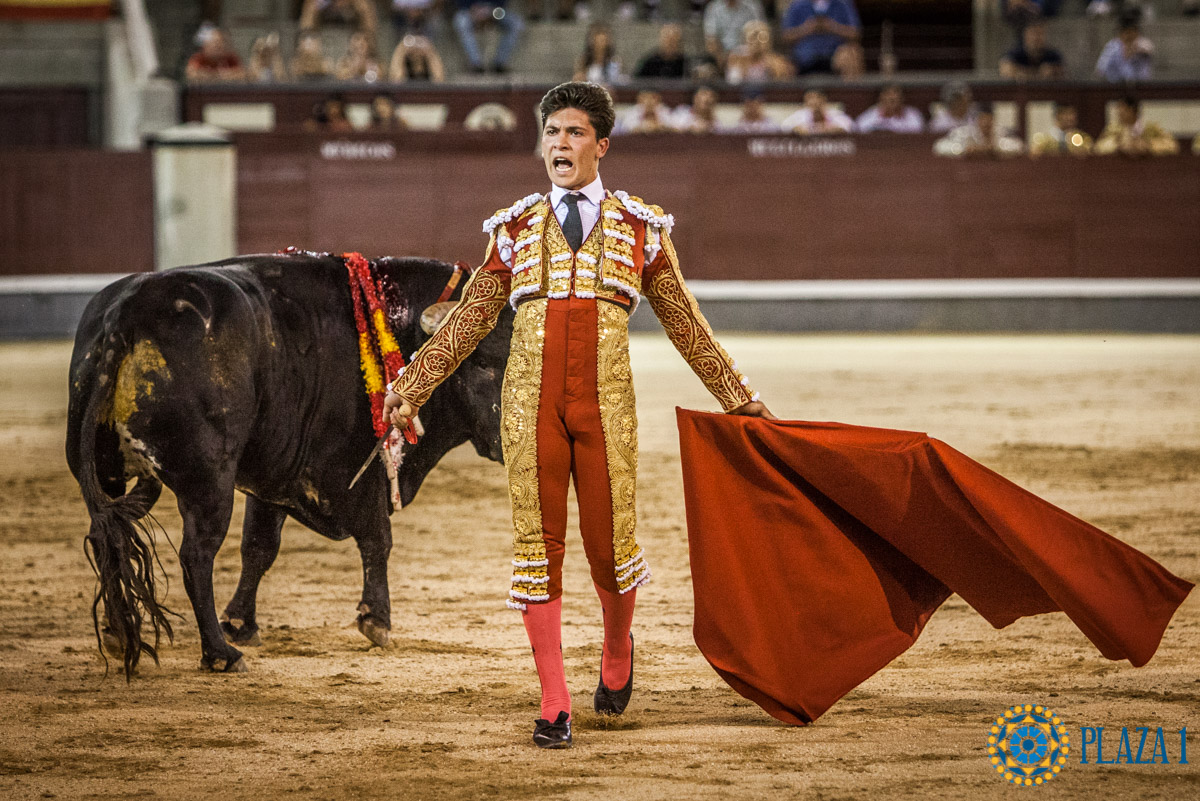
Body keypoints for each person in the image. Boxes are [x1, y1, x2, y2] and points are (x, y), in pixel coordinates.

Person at [384, 81, 774, 749]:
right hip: (530, 405)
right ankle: (555, 698)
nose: (559, 144)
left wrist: (736, 396)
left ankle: (617, 648)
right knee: (540, 551)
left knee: (609, 547)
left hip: (606, 408)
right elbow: (472, 317)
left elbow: (685, 323)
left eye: (572, 133)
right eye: (551, 134)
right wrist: (413, 383)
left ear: (601, 145)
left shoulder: (640, 228)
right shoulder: (512, 230)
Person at [780, 0, 864, 78]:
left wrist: (832, 27)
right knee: (781, 66)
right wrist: (807, 29)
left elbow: (856, 33)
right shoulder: (797, 5)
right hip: (803, 59)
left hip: (835, 56)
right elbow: (785, 36)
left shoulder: (843, 3)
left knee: (851, 55)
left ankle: (849, 92)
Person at [454, 0, 525, 74]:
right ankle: (476, 64)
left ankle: (500, 63)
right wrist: (473, 9)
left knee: (516, 23)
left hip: (495, 11)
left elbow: (503, 3)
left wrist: (491, 10)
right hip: (470, 11)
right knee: (461, 22)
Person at [1094, 95, 1180, 156]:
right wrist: (1119, 145)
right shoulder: (1113, 129)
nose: (1119, 113)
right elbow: (1098, 148)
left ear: (1131, 110)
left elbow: (1173, 146)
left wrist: (1149, 146)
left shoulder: (1151, 128)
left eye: (1122, 109)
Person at [933, 103, 1024, 158]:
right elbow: (939, 147)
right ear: (977, 121)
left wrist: (996, 149)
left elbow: (1019, 146)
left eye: (989, 120)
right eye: (982, 120)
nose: (985, 124)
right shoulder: (966, 132)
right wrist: (963, 150)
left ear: (993, 120)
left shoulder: (1000, 131)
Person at [725, 20, 794, 84]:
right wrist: (742, 69)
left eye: (762, 37)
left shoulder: (777, 62)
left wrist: (772, 70)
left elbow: (781, 87)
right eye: (752, 37)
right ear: (745, 39)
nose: (757, 42)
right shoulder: (737, 58)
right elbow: (733, 84)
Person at [704, 0, 765, 68]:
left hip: (749, 57)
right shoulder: (714, 8)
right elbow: (711, 39)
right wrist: (723, 59)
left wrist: (746, 56)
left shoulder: (752, 6)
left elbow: (761, 35)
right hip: (724, 57)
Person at [1095, 12, 1154, 82]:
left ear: (1137, 31)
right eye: (1126, 32)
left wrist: (1133, 49)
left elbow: (1147, 51)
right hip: (1116, 85)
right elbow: (1100, 69)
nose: (1129, 35)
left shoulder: (1144, 43)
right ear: (1121, 32)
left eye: (1132, 31)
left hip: (1141, 86)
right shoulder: (1112, 45)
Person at [999, 20, 1064, 80]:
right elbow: (1007, 71)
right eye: (1033, 33)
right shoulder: (1015, 53)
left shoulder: (1053, 55)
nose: (1036, 38)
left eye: (1040, 33)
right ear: (1025, 35)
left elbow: (1061, 72)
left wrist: (1022, 72)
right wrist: (1039, 73)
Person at [854, 84, 923, 133]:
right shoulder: (872, 114)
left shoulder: (913, 114)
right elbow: (860, 128)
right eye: (888, 95)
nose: (892, 97)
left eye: (895, 95)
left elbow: (917, 130)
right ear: (881, 98)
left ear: (902, 98)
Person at [780, 88, 853, 134]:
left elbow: (850, 126)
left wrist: (837, 129)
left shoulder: (835, 114)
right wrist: (796, 129)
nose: (814, 101)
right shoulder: (798, 115)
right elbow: (784, 126)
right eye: (810, 98)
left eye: (817, 98)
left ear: (824, 99)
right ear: (805, 101)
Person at [300, 0, 378, 40]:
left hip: (350, 5)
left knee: (365, 7)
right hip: (327, 4)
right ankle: (307, 45)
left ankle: (368, 47)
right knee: (311, 7)